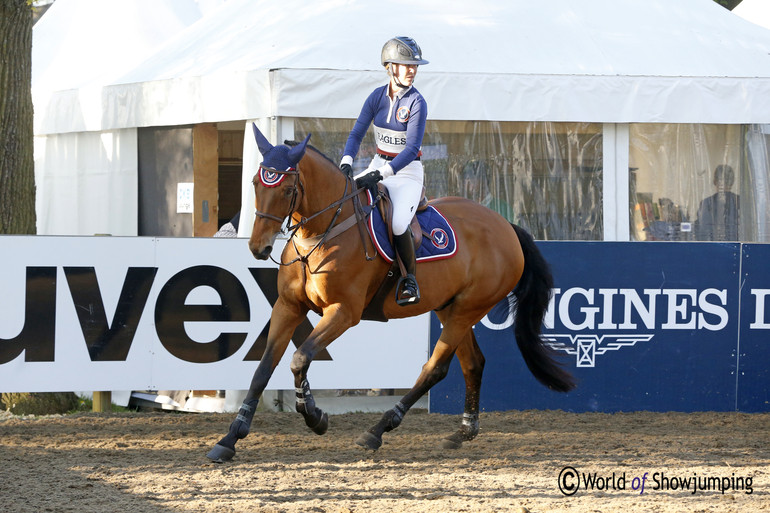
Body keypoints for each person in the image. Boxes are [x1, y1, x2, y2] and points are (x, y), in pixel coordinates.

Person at [339, 36, 429, 306]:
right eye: (406, 65)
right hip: (378, 164)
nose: (412, 70)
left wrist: (381, 174)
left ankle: (409, 280)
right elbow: (356, 133)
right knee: (343, 201)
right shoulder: (376, 97)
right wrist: (346, 160)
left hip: (407, 173)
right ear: (390, 67)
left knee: (399, 223)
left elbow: (411, 149)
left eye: (414, 66)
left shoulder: (417, 102)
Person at [694, 164, 740, 241]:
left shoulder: (706, 203)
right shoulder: (740, 202)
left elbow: (701, 231)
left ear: (714, 181)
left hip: (711, 249)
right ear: (732, 182)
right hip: (736, 249)